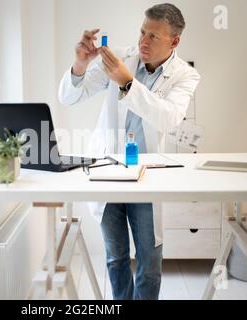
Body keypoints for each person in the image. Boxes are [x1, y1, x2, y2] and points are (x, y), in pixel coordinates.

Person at [58, 3, 200, 300]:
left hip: (147, 177)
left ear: (174, 41)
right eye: (142, 32)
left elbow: (168, 118)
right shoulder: (120, 58)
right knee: (115, 257)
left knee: (149, 263)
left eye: (153, 36)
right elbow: (71, 97)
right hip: (107, 170)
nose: (143, 42)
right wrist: (81, 64)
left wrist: (126, 81)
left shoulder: (185, 75)